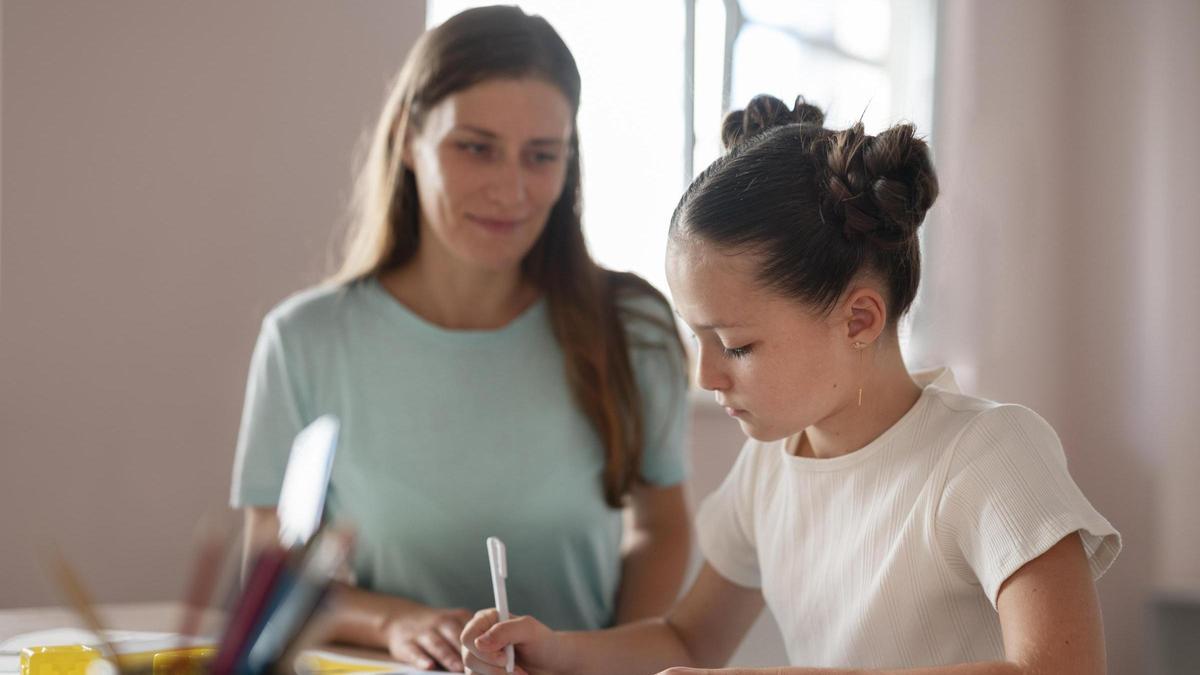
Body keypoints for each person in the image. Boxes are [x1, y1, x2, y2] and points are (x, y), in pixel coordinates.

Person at [459, 94, 1122, 674]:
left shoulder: (988, 454)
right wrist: (556, 651)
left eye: (737, 345)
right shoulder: (769, 467)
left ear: (859, 317)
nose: (707, 374)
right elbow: (687, 638)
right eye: (699, 338)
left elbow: (1062, 666)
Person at [229, 6, 691, 672]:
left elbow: (663, 526)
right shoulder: (303, 340)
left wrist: (600, 658)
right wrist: (397, 623)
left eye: (542, 155)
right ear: (410, 141)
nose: (512, 189)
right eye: (475, 147)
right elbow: (271, 568)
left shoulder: (633, 327)